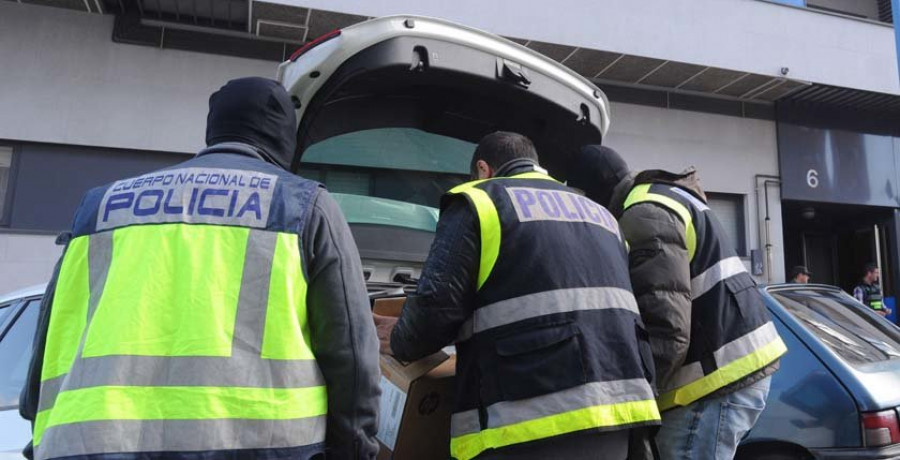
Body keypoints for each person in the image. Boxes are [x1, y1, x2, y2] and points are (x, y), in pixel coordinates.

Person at [19, 77, 381, 460]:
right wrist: (355, 450)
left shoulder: (99, 208)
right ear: (284, 139)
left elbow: (48, 339)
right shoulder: (303, 207)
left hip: (90, 449)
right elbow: (352, 357)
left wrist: (34, 425)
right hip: (260, 449)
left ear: (214, 130)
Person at [374, 132, 660, 460]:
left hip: (529, 425)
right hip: (620, 419)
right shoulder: (602, 216)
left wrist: (398, 340)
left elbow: (436, 308)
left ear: (483, 169)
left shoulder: (481, 201)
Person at [568, 145, 786, 460]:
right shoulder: (664, 195)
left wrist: (633, 401)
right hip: (733, 368)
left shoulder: (643, 213)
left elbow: (666, 326)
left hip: (714, 380)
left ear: (593, 196)